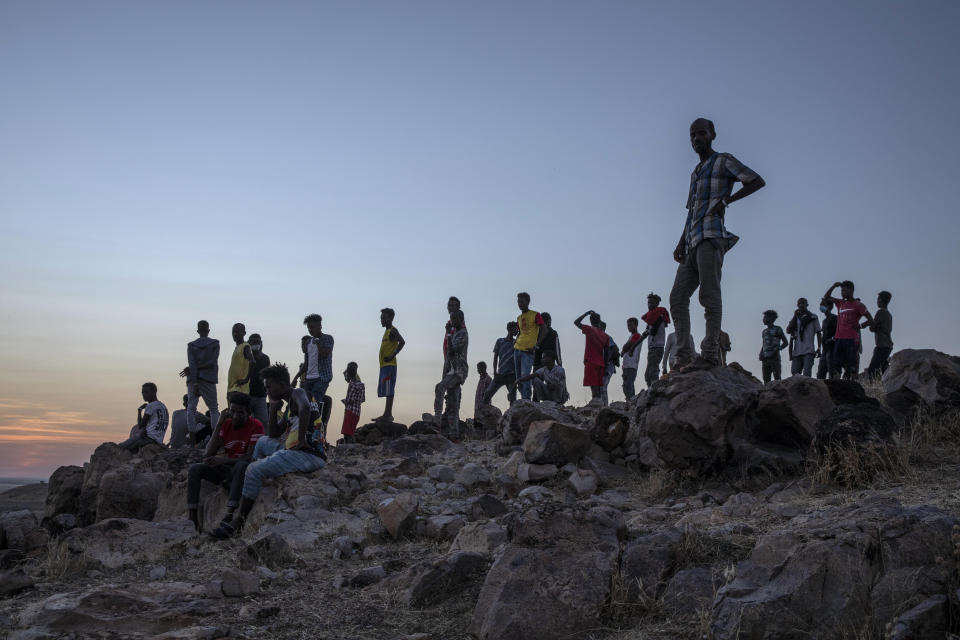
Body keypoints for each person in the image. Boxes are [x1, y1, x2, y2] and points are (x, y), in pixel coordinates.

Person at [669, 118, 765, 368]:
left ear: (712, 135)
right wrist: (681, 242)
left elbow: (755, 180)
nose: (696, 139)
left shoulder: (722, 160)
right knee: (677, 298)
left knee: (709, 295)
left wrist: (727, 201)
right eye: (692, 135)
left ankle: (710, 352)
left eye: (701, 133)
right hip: (692, 241)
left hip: (711, 237)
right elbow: (691, 212)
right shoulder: (696, 173)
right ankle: (682, 356)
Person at [211, 364, 326, 539]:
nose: (267, 390)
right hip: (294, 450)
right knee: (263, 442)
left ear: (281, 384)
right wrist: (273, 408)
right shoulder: (289, 406)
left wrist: (301, 439)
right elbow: (273, 433)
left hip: (308, 454)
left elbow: (305, 408)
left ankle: (239, 521)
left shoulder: (298, 393)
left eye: (269, 386)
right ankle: (252, 478)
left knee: (254, 469)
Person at [186, 393, 263, 532]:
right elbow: (208, 453)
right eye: (232, 411)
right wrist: (219, 424)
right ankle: (192, 518)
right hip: (226, 470)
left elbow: (248, 457)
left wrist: (223, 460)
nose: (235, 416)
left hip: (242, 472)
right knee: (195, 469)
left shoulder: (256, 426)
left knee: (241, 466)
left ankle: (229, 513)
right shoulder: (226, 424)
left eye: (240, 413)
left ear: (249, 413)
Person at [179, 320, 221, 441]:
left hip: (193, 378)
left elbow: (192, 364)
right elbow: (212, 361)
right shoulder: (215, 344)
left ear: (198, 331)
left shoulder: (191, 346)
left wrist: (195, 372)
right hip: (208, 378)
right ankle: (215, 437)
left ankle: (192, 437)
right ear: (208, 330)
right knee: (213, 408)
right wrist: (198, 368)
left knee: (191, 408)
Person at [824, 281, 874, 380]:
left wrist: (860, 325)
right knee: (836, 365)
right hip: (839, 339)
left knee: (851, 366)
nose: (842, 293)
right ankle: (838, 388)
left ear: (851, 290)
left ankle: (853, 386)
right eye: (841, 290)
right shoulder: (841, 303)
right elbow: (826, 297)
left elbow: (871, 320)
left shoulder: (858, 305)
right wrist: (834, 286)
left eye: (844, 290)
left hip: (851, 339)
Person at [434, 310, 468, 442]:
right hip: (452, 371)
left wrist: (448, 333)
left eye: (454, 319)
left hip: (459, 372)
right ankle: (453, 434)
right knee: (453, 403)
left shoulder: (463, 334)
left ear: (461, 319)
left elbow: (452, 351)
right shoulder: (456, 334)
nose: (451, 321)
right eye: (451, 319)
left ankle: (437, 420)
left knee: (440, 387)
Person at [294, 314, 334, 409]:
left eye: (312, 327)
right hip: (308, 379)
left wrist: (318, 342)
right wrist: (296, 377)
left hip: (321, 378)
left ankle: (315, 423)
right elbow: (306, 364)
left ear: (320, 326)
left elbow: (324, 355)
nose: (310, 330)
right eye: (308, 328)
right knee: (305, 405)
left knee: (314, 405)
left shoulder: (328, 338)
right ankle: (309, 423)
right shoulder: (308, 342)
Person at [513, 292, 545, 401]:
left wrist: (536, 346)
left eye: (522, 301)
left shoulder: (535, 314)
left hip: (528, 351)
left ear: (528, 302)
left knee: (525, 376)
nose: (519, 304)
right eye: (518, 302)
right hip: (517, 349)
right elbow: (520, 332)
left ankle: (527, 401)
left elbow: (544, 329)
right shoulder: (519, 317)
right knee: (518, 378)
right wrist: (515, 342)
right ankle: (523, 400)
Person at [119, 383, 169, 452]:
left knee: (120, 447)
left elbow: (140, 425)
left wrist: (139, 411)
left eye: (146, 392)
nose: (144, 394)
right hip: (158, 440)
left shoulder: (151, 405)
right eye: (142, 392)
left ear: (154, 392)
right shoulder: (162, 406)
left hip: (149, 438)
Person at [375, 308, 405, 423]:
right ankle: (386, 414)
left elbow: (402, 342)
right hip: (384, 366)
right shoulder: (386, 331)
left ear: (391, 318)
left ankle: (388, 415)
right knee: (386, 390)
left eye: (384, 318)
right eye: (381, 318)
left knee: (389, 389)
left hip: (390, 365)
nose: (382, 320)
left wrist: (393, 355)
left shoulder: (393, 331)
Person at [574, 310, 609, 404]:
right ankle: (599, 404)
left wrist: (585, 313)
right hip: (601, 363)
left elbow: (576, 322)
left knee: (594, 388)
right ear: (599, 321)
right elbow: (607, 351)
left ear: (590, 320)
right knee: (597, 387)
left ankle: (596, 406)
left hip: (591, 361)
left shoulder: (589, 329)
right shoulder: (605, 335)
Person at [483, 322, 519, 405]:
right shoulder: (500, 341)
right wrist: (495, 371)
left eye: (517, 329)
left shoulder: (516, 343)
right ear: (509, 329)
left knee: (512, 398)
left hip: (511, 375)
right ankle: (484, 412)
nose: (517, 331)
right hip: (501, 374)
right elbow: (495, 357)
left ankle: (512, 416)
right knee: (488, 393)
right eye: (515, 329)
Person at [640, 293, 671, 387]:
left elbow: (652, 332)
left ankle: (655, 389)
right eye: (649, 302)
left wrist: (648, 330)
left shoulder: (658, 316)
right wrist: (633, 346)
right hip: (652, 348)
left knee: (653, 371)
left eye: (652, 303)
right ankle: (651, 390)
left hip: (657, 348)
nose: (650, 305)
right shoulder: (651, 318)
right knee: (647, 375)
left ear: (657, 304)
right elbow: (645, 333)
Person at [786, 298, 822, 377]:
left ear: (807, 305)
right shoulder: (796, 319)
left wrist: (819, 348)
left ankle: (807, 389)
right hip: (797, 351)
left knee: (807, 374)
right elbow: (788, 330)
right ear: (797, 305)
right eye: (799, 303)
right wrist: (795, 316)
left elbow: (818, 333)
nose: (801, 305)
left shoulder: (813, 317)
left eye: (803, 303)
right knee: (795, 373)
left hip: (808, 350)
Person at [866, 291, 893, 380]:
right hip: (887, 346)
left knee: (872, 371)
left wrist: (869, 324)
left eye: (878, 299)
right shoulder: (888, 314)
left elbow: (872, 328)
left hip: (882, 346)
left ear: (881, 300)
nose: (877, 301)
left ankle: (874, 391)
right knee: (883, 370)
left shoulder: (880, 312)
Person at [759, 310, 789, 383]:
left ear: (771, 318)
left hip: (775, 358)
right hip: (765, 359)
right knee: (766, 379)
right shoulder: (764, 331)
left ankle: (779, 393)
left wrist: (777, 350)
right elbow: (764, 344)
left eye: (765, 317)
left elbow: (785, 342)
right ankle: (767, 394)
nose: (763, 319)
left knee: (777, 378)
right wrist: (761, 353)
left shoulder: (778, 329)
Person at [247, 334, 271, 426]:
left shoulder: (265, 358)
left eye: (258, 341)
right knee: (247, 421)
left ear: (261, 343)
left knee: (263, 422)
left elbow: (268, 377)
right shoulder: (246, 357)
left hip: (261, 395)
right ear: (249, 343)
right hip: (247, 394)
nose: (256, 343)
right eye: (253, 341)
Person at [340, 362, 365, 444]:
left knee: (347, 433)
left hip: (350, 411)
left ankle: (348, 448)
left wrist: (344, 401)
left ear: (348, 373)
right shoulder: (361, 384)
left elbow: (350, 400)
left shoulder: (352, 384)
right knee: (351, 431)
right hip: (357, 412)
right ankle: (351, 447)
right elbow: (362, 399)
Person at [620, 317, 642, 400]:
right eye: (628, 325)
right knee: (626, 386)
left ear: (636, 325)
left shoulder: (637, 335)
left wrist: (624, 349)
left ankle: (631, 402)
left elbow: (626, 347)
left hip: (631, 365)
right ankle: (630, 402)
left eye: (631, 325)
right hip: (627, 365)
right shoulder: (632, 336)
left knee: (628, 385)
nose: (629, 327)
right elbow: (624, 349)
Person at [598, 321, 618, 406]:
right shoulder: (599, 338)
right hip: (604, 366)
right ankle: (602, 405)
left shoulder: (607, 337)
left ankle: (605, 406)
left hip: (608, 366)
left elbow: (614, 349)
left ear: (603, 328)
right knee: (600, 386)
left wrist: (606, 362)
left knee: (603, 386)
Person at [817, 299, 837, 380]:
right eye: (820, 305)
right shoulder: (824, 321)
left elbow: (839, 332)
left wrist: (831, 339)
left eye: (823, 305)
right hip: (824, 351)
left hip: (832, 350)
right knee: (820, 375)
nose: (821, 307)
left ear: (829, 307)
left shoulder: (834, 318)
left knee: (832, 374)